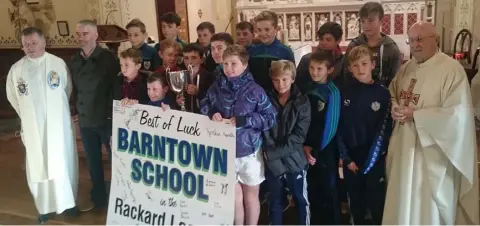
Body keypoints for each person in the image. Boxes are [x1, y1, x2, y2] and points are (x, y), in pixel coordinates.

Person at [383, 21, 479, 225]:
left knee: (426, 204)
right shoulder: (406, 68)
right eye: (411, 40)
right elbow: (392, 93)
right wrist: (394, 107)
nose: (415, 45)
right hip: (403, 147)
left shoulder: (451, 69)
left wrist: (417, 115)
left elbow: (458, 116)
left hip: (433, 153)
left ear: (435, 40)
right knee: (401, 198)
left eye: (420, 39)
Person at [6, 27, 78, 224]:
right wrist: (28, 116)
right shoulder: (16, 70)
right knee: (38, 164)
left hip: (57, 125)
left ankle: (68, 203)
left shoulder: (57, 63)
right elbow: (12, 96)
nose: (30, 47)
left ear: (43, 42)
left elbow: (66, 88)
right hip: (33, 125)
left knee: (62, 161)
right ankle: (44, 207)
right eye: (26, 44)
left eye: (33, 43)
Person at [201, 44, 276, 225]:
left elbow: (270, 117)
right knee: (234, 199)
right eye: (225, 64)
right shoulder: (216, 87)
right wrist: (212, 113)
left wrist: (246, 120)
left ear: (244, 65)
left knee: (250, 198)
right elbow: (204, 103)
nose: (229, 68)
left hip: (249, 153)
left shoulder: (255, 90)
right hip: (225, 152)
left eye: (233, 63)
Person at [337, 46, 392, 225]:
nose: (360, 69)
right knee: (356, 204)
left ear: (373, 64)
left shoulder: (383, 94)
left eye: (364, 64)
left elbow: (385, 130)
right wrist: (346, 158)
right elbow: (338, 128)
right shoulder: (343, 92)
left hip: (374, 158)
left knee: (377, 203)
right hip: (351, 159)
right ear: (350, 68)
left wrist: (374, 158)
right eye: (355, 65)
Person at [70, 19, 120, 210]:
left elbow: (115, 89)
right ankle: (98, 197)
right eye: (78, 34)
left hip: (106, 118)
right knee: (93, 162)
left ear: (96, 35)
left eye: (85, 34)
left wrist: (112, 115)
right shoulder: (75, 59)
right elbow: (74, 89)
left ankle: (118, 197)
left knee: (115, 161)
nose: (81, 38)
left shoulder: (108, 58)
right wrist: (75, 112)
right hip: (85, 118)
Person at [262, 60, 311, 225]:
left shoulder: (302, 101)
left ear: (292, 79)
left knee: (300, 199)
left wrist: (273, 153)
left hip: (295, 160)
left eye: (284, 79)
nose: (280, 84)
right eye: (276, 80)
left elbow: (298, 136)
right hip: (272, 162)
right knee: (275, 201)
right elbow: (264, 128)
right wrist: (271, 154)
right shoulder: (266, 99)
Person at [303, 50, 341, 225]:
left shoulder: (332, 92)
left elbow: (331, 126)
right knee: (313, 190)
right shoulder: (308, 87)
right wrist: (304, 146)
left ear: (330, 70)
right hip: (307, 149)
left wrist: (316, 150)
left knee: (328, 190)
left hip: (324, 150)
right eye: (312, 68)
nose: (315, 72)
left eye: (319, 68)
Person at [339, 1, 401, 87]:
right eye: (363, 21)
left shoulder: (391, 48)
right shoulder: (354, 45)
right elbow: (346, 75)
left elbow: (395, 80)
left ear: (381, 21)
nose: (365, 26)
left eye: (370, 21)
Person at [249, 10, 295, 90]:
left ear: (276, 29)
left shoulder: (285, 51)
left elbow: (291, 78)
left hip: (276, 95)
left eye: (267, 29)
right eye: (259, 30)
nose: (263, 33)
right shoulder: (253, 51)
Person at [296, 22, 344, 93]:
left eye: (328, 40)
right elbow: (298, 86)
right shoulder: (307, 59)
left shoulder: (343, 61)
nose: (323, 42)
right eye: (321, 39)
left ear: (338, 41)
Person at [176, 43, 213, 113]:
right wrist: (178, 101)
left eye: (194, 58)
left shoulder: (209, 77)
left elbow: (212, 100)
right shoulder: (180, 76)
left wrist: (198, 92)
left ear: (202, 59)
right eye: (186, 58)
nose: (189, 62)